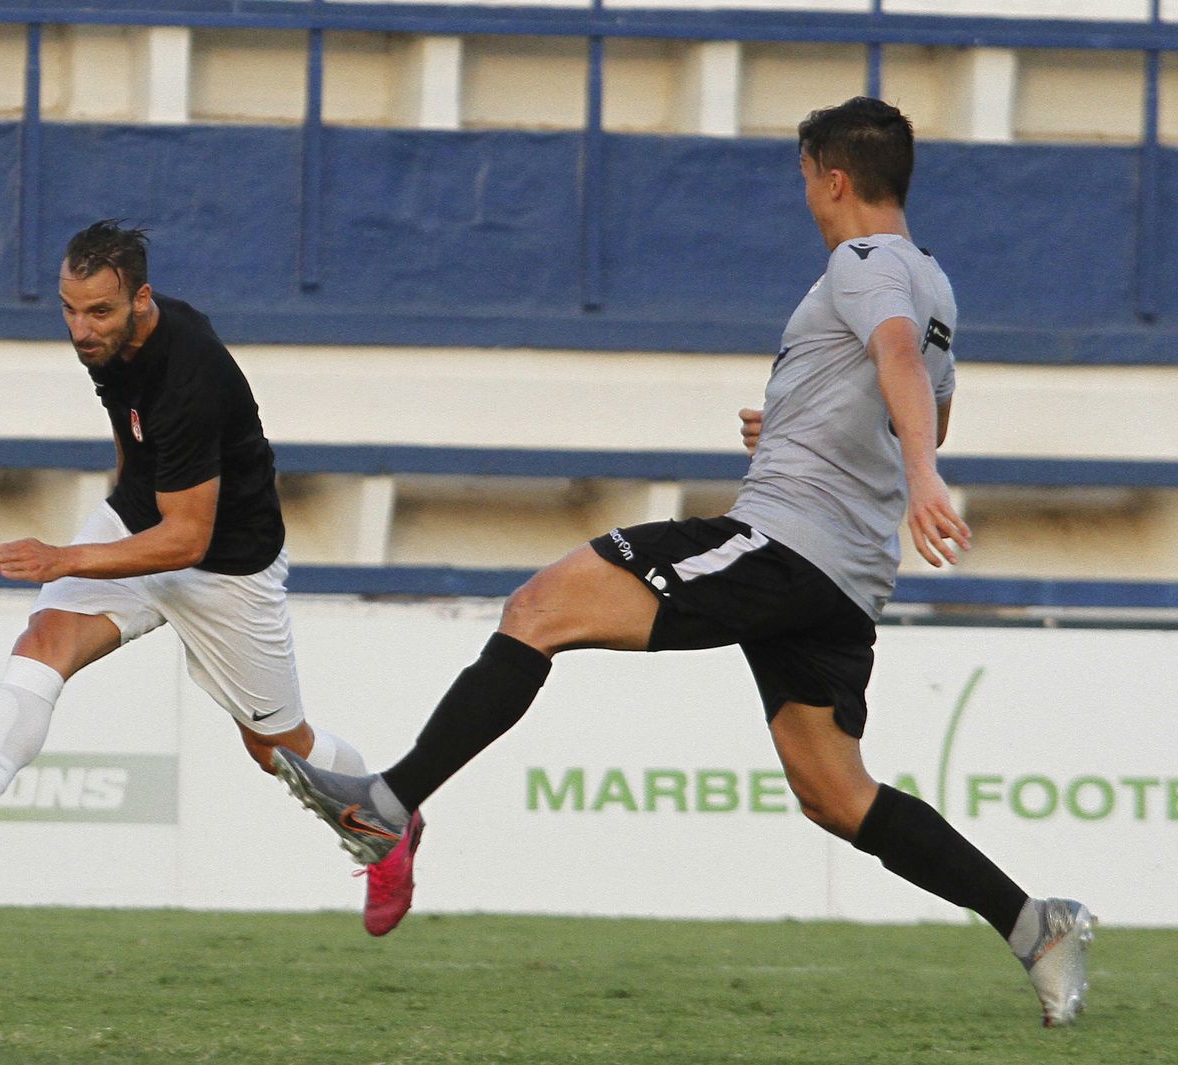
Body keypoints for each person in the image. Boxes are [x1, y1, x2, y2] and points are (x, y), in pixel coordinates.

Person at [273, 98, 1095, 1023]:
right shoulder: (936, 283)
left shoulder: (861, 263)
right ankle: (1036, 924)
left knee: (539, 609)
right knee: (837, 793)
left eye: (805, 181)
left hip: (785, 545)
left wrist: (922, 476)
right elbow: (924, 396)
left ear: (832, 178)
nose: (808, 201)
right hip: (845, 583)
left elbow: (897, 364)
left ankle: (388, 803)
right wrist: (799, 421)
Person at [0, 219, 422, 936]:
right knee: (45, 638)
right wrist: (111, 519)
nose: (81, 327)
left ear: (142, 299)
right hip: (144, 526)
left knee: (278, 750)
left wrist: (66, 556)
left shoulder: (189, 372)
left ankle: (393, 814)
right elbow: (131, 439)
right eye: (69, 309)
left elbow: (189, 538)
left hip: (226, 568)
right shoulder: (107, 344)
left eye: (98, 310)